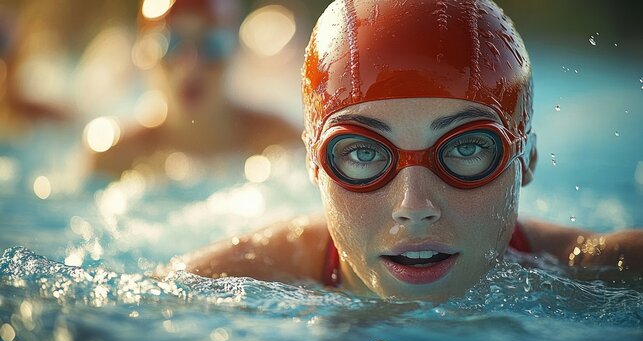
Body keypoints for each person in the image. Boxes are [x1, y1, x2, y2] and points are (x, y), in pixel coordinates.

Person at [175, 0, 643, 302]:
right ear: (314, 164)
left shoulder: (598, 268)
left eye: (466, 148)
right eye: (363, 154)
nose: (413, 207)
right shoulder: (218, 285)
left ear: (527, 160)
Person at [89, 0, 301, 177]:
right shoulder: (114, 155)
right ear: (143, 54)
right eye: (171, 43)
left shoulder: (280, 142)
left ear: (236, 52)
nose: (190, 65)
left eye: (212, 44)